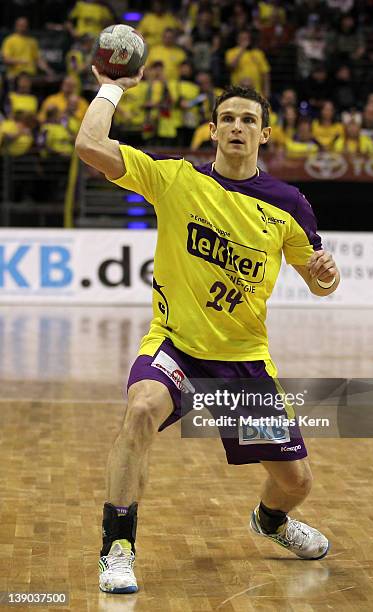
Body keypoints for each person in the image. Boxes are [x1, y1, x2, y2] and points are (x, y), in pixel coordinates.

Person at [76, 66, 340, 594]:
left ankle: (270, 522)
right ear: (213, 130)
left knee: (296, 482)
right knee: (141, 408)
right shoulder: (175, 178)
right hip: (176, 347)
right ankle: (117, 549)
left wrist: (325, 277)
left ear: (265, 134)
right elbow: (88, 145)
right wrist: (112, 87)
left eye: (248, 119)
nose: (237, 126)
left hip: (243, 364)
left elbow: (318, 280)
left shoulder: (288, 203)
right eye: (227, 119)